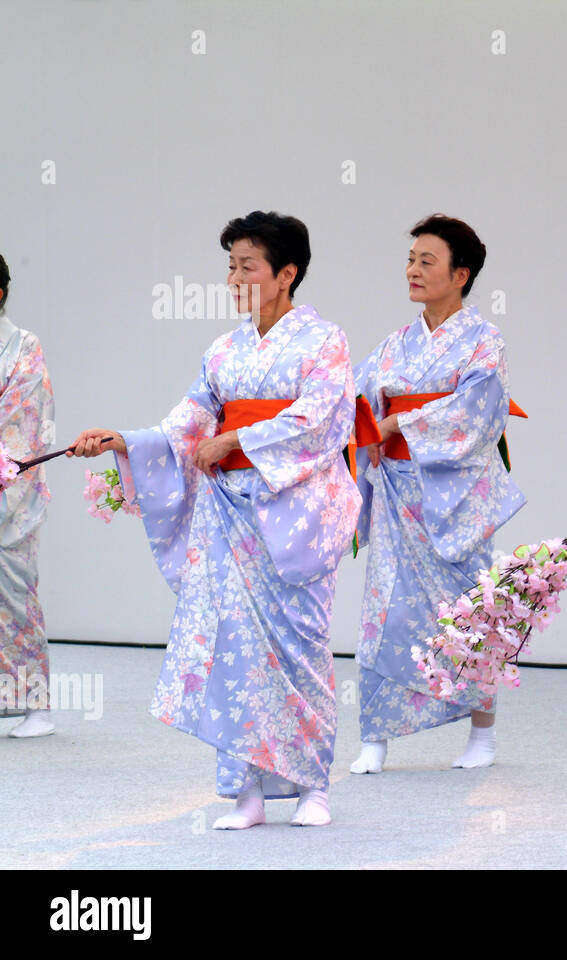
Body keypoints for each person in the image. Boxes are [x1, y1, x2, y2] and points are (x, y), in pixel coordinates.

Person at [70, 212, 360, 828]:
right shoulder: (224, 350)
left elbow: (320, 420)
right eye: (230, 265)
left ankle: (314, 786)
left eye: (246, 265)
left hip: (295, 514)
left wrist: (235, 441)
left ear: (286, 274)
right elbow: (189, 420)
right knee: (235, 646)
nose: (233, 277)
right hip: (230, 515)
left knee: (299, 644)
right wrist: (125, 438)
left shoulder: (324, 341)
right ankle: (247, 792)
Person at [349, 214, 525, 775]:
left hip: (455, 498)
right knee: (384, 611)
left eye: (428, 261)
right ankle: (376, 735)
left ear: (461, 274)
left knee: (470, 610)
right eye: (411, 260)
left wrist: (405, 424)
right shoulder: (393, 346)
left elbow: (476, 412)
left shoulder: (484, 341)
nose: (414, 270)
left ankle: (482, 732)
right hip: (399, 492)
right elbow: (357, 400)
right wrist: (368, 426)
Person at [0, 254, 58, 738]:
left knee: (14, 593)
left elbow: (23, 423)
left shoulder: (23, 348)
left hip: (8, 492)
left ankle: (35, 705)